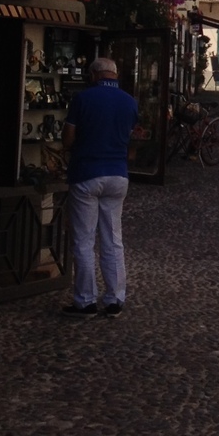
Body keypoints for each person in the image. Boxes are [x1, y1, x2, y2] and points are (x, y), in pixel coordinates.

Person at [62, 56, 137, 318]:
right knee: (112, 239)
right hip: (118, 175)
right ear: (114, 74)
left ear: (94, 75)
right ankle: (115, 298)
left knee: (83, 240)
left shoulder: (83, 99)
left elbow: (68, 139)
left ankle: (85, 300)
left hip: (87, 173)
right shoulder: (130, 101)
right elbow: (132, 138)